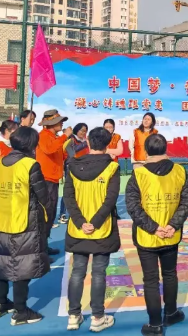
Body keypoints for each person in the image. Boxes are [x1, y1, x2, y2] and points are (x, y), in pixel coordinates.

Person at [125, 134, 188, 335]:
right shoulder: (180, 171)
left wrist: (154, 228)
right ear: (166, 149)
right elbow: (187, 201)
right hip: (171, 235)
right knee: (170, 274)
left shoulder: (138, 174)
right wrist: (172, 225)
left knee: (151, 280)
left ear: (146, 150)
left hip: (147, 237)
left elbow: (133, 206)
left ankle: (155, 324)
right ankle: (171, 313)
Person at [0, 126, 50, 326]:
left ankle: (1, 304)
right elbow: (43, 195)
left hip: (3, 219)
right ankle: (21, 311)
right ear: (31, 144)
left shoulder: (1, 163)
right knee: (22, 267)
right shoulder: (30, 164)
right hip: (25, 221)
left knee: (1, 262)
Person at [63, 127, 120, 332]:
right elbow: (110, 199)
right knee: (98, 273)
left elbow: (68, 197)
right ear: (108, 144)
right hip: (102, 228)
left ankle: (73, 315)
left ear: (88, 141)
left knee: (77, 271)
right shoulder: (112, 167)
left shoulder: (72, 165)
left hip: (78, 229)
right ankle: (97, 317)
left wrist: (81, 222)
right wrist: (94, 223)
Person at [36, 109, 72, 254]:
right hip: (45, 179)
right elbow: (49, 149)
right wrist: (64, 136)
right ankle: (40, 249)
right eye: (59, 122)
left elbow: (59, 154)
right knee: (46, 213)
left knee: (50, 213)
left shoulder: (54, 137)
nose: (62, 124)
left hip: (52, 179)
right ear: (51, 124)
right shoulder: (43, 136)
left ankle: (44, 245)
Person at [57, 123, 89, 225]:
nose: (83, 132)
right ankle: (62, 214)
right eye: (81, 130)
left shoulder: (85, 141)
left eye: (85, 131)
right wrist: (85, 144)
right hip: (71, 167)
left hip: (83, 168)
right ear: (76, 129)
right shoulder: (71, 139)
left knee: (80, 191)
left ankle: (78, 214)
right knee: (68, 191)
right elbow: (72, 152)